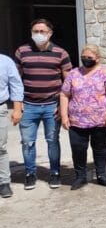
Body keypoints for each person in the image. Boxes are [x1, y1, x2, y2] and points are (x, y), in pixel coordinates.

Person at [15, 18, 72, 190]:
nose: (38, 35)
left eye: (42, 31)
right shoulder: (22, 51)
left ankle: (55, 173)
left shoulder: (61, 53)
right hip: (28, 105)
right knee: (27, 142)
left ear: (50, 33)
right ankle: (30, 173)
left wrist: (63, 108)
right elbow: (16, 80)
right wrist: (18, 104)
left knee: (52, 140)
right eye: (35, 31)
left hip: (52, 106)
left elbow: (68, 82)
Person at [60, 44, 106, 190]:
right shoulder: (73, 73)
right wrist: (64, 116)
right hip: (77, 121)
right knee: (78, 149)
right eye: (84, 57)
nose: (86, 60)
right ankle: (80, 177)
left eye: (89, 57)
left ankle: (101, 175)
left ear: (97, 58)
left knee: (99, 148)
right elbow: (64, 94)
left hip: (100, 120)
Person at [0, 54, 24, 198]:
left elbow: (16, 84)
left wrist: (17, 109)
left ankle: (4, 182)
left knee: (0, 147)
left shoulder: (5, 61)